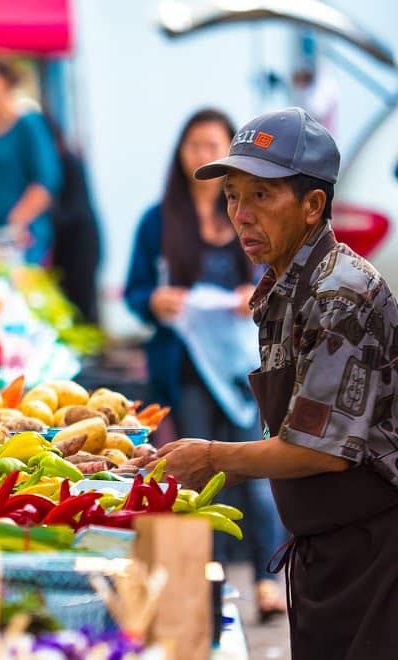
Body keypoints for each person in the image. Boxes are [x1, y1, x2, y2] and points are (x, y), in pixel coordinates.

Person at [154, 107, 398, 659]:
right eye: (233, 195)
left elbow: (321, 450)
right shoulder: (284, 286)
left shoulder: (341, 294)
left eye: (261, 196)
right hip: (328, 550)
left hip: (378, 550)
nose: (240, 214)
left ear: (313, 205)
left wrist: (213, 456)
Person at [124, 108, 286, 621]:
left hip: (241, 370)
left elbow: (277, 277)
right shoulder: (158, 219)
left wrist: (255, 293)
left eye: (212, 145)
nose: (202, 155)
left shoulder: (249, 215)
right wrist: (155, 302)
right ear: (180, 153)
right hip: (184, 370)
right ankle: (205, 587)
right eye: (193, 145)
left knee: (253, 470)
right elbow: (135, 290)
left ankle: (267, 581)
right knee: (195, 473)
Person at [0, 57, 62, 264]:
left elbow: (47, 181)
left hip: (20, 239)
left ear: (3, 83)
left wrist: (17, 221)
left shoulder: (28, 123)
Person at [46, 114, 102, 323]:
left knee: (82, 304)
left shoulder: (69, 163)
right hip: (68, 245)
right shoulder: (58, 164)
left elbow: (74, 210)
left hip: (81, 246)